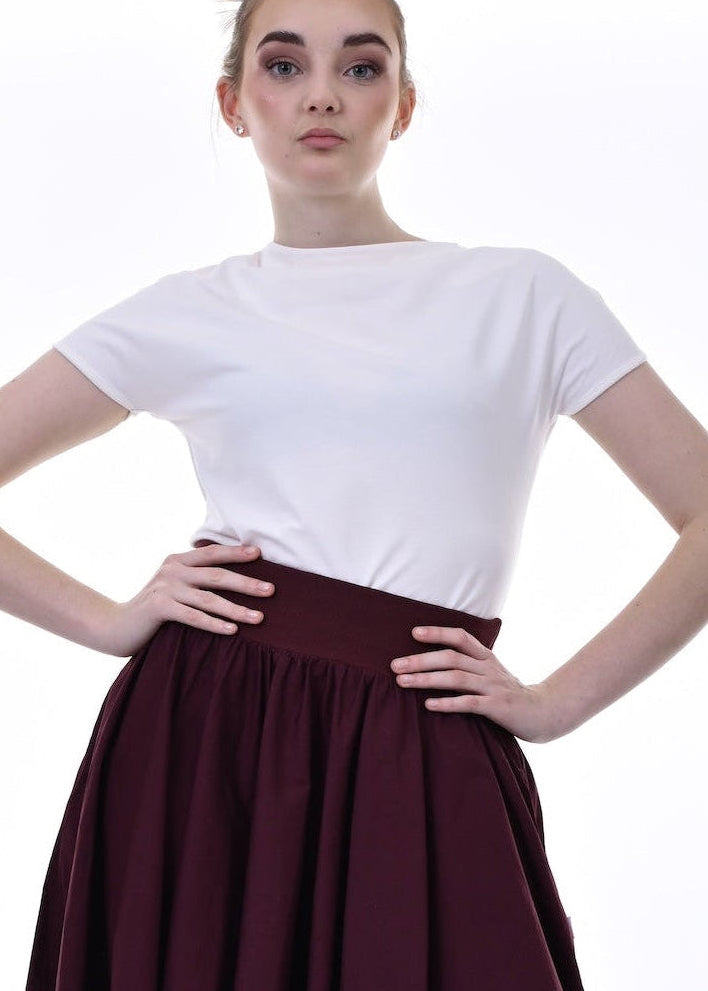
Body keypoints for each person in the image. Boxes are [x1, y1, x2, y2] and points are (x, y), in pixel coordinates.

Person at [4, 0, 707, 988]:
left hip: (428, 733)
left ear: (405, 105)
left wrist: (557, 703)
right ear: (234, 102)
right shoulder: (190, 310)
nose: (322, 94)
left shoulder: (525, 296)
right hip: (210, 746)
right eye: (283, 66)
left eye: (362, 68)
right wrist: (109, 619)